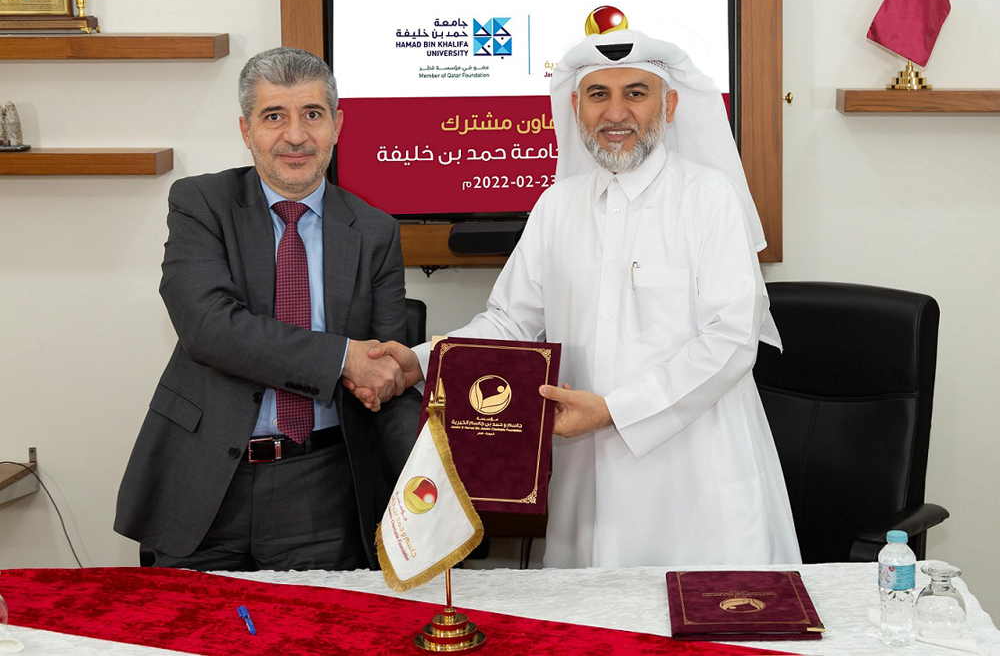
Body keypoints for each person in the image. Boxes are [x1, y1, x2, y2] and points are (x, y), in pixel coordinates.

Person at [360, 28, 801, 568]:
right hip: (585, 468)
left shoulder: (711, 199)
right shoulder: (556, 206)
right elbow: (509, 324)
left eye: (636, 93)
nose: (616, 112)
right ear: (575, 107)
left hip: (694, 473)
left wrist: (616, 411)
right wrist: (420, 364)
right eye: (598, 95)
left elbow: (731, 342)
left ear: (671, 103)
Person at [114, 47, 421, 571]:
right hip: (204, 481)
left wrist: (436, 479)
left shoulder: (373, 230)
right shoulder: (201, 204)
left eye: (312, 115)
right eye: (274, 116)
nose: (296, 136)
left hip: (325, 489)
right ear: (246, 129)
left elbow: (388, 374)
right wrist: (342, 359)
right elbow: (208, 327)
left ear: (337, 125)